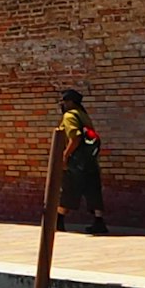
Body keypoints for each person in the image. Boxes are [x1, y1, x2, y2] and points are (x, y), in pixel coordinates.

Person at [45, 90, 106, 233]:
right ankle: (99, 221)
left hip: (77, 161)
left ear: (70, 102)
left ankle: (58, 220)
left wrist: (65, 156)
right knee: (93, 189)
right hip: (90, 160)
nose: (63, 105)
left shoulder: (69, 116)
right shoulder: (83, 115)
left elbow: (75, 137)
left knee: (69, 188)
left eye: (64, 102)